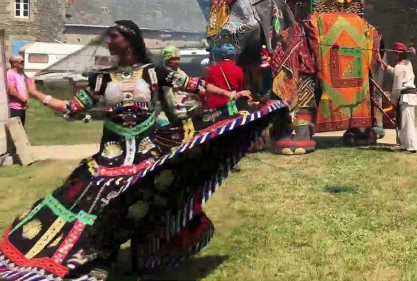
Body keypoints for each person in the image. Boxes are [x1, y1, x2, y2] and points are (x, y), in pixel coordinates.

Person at [0, 20, 260, 280]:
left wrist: (230, 96)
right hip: (109, 161)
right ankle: (103, 258)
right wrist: (37, 95)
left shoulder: (155, 72)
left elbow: (195, 85)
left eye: (113, 36)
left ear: (130, 42)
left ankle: (144, 257)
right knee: (97, 208)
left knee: (148, 205)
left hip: (145, 158)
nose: (108, 41)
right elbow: (73, 108)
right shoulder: (101, 79)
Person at [379, 42, 417, 153]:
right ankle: (405, 145)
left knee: (407, 123)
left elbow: (396, 86)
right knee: (404, 122)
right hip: (408, 96)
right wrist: (387, 67)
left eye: (396, 54)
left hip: (405, 96)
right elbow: (400, 73)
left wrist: (393, 100)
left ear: (399, 54)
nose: (395, 56)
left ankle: (411, 147)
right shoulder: (408, 63)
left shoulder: (399, 67)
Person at [203, 44, 247, 110]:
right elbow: (240, 87)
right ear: (233, 56)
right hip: (231, 106)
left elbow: (206, 87)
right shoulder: (239, 70)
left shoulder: (211, 69)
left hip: (215, 106)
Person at [156, 46, 189, 127]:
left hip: (179, 111)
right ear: (166, 59)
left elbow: (189, 89)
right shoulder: (159, 73)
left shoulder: (182, 74)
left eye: (178, 58)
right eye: (173, 59)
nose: (177, 61)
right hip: (161, 113)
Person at [6, 55, 29, 126]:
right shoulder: (9, 74)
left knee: (21, 130)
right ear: (14, 63)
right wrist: (23, 100)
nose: (23, 63)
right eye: (22, 62)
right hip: (13, 108)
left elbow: (24, 89)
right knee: (15, 131)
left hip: (21, 107)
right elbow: (11, 91)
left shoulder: (20, 75)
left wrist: (26, 101)